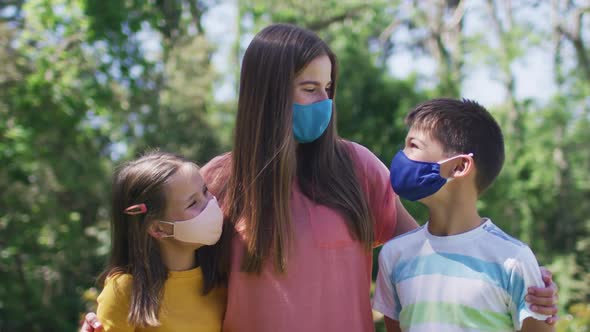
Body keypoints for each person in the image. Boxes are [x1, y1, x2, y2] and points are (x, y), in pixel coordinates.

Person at [81, 24, 558, 332]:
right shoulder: (218, 182)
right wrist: (106, 321)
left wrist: (514, 279)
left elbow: (429, 257)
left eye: (328, 89)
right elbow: (168, 273)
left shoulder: (356, 167)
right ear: (267, 94)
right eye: (309, 89)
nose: (325, 102)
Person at [373, 98, 555, 332]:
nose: (401, 156)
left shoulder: (514, 260)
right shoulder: (394, 256)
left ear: (459, 166)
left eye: (413, 145)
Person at [93, 151, 227, 331]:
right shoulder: (124, 291)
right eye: (192, 203)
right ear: (158, 229)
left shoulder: (222, 276)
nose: (210, 203)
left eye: (205, 191)